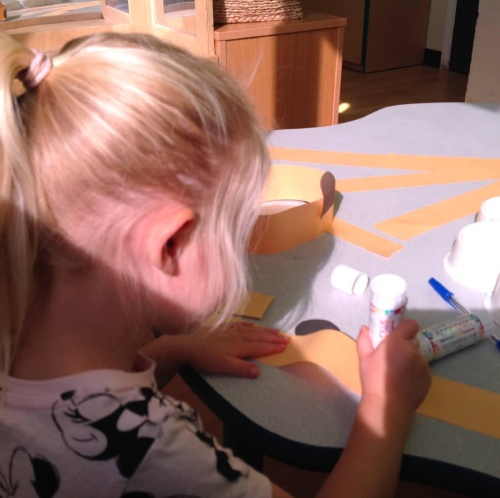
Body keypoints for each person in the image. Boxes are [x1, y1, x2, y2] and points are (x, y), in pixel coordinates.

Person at [0, 31, 431, 497]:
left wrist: (175, 350)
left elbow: (74, 413)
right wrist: (385, 409)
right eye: (237, 230)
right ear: (170, 246)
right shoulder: (156, 455)